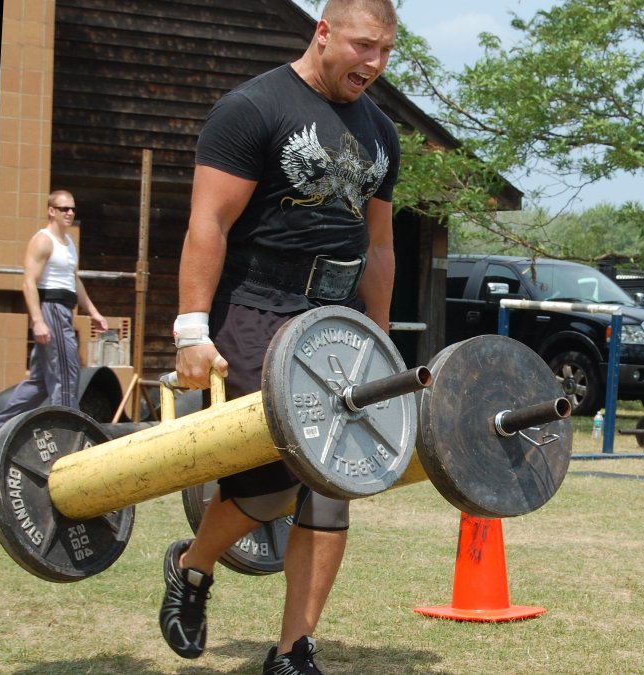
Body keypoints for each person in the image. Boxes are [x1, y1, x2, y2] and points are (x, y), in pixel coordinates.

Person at [158, 2, 401, 673]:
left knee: (332, 477)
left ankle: (294, 650)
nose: (373, 64)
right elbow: (207, 223)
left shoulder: (382, 132)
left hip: (339, 317)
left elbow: (379, 245)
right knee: (266, 489)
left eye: (385, 52)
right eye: (362, 47)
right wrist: (190, 330)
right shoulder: (253, 108)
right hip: (258, 309)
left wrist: (378, 338)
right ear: (323, 33)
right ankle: (192, 565)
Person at [0, 190, 108, 438]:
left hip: (64, 308)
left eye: (72, 209)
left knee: (39, 383)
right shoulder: (43, 240)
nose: (70, 213)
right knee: (67, 373)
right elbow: (28, 282)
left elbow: (73, 280)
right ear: (51, 211)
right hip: (51, 310)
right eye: (64, 209)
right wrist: (38, 321)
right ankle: (67, 434)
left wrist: (93, 312)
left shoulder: (68, 243)